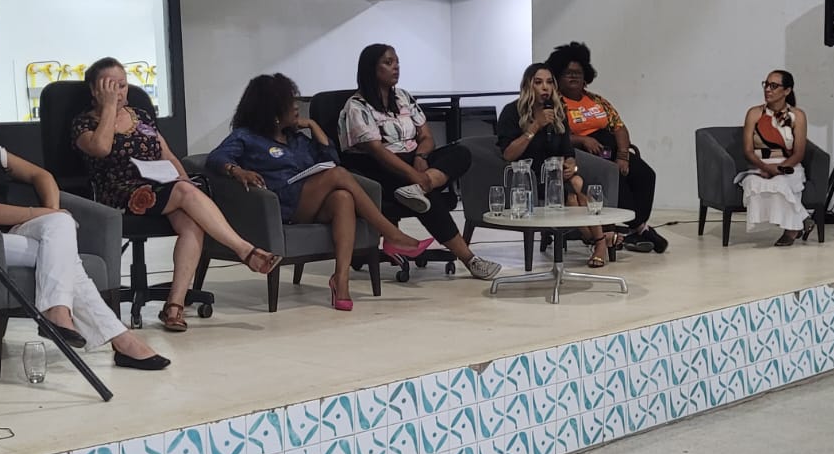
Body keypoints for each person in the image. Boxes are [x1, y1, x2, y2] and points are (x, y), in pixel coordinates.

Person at [0, 72, 168, 369]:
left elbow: (42, 175)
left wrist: (52, 213)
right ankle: (117, 339)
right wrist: (44, 215)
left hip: (4, 235)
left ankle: (64, 315)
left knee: (59, 232)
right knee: (64, 255)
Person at [72, 57, 280, 331]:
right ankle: (245, 250)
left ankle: (174, 307)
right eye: (111, 86)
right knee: (183, 192)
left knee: (191, 214)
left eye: (122, 86)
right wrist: (109, 106)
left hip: (162, 187)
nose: (119, 92)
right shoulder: (83, 124)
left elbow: (167, 156)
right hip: (119, 194)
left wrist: (185, 182)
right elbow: (100, 149)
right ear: (94, 90)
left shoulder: (141, 116)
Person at [206, 73, 433, 311]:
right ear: (272, 112)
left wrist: (314, 126)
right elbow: (216, 158)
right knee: (338, 176)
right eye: (289, 103)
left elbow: (330, 159)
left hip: (308, 201)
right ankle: (390, 233)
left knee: (342, 198)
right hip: (279, 206)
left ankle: (341, 281)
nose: (296, 107)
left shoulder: (296, 139)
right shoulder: (246, 137)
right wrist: (237, 170)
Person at [338, 44, 501, 281]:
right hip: (378, 168)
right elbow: (376, 151)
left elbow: (426, 136)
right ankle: (470, 259)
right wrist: (416, 177)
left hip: (413, 160)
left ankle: (418, 189)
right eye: (388, 62)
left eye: (397, 61)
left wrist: (421, 157)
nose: (396, 67)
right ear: (371, 69)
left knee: (461, 153)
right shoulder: (356, 106)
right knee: (428, 198)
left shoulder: (403, 97)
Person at [544, 41, 667, 254]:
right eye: (567, 73)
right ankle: (640, 229)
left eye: (578, 73)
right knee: (614, 176)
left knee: (645, 174)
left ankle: (636, 227)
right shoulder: (555, 104)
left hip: (610, 151)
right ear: (557, 77)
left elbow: (619, 128)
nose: (574, 77)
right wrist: (581, 140)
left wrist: (623, 156)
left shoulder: (597, 100)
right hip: (579, 155)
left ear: (586, 76)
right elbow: (553, 136)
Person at [495, 63, 618, 268]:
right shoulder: (512, 112)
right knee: (575, 187)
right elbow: (509, 154)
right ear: (528, 85)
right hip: (528, 180)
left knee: (573, 189)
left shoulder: (557, 112)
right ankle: (600, 241)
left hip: (556, 176)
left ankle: (597, 242)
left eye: (549, 82)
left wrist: (571, 164)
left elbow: (567, 150)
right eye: (539, 82)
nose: (545, 87)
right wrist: (536, 125)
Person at [740, 70, 815, 246]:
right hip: (760, 165)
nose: (768, 89)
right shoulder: (754, 113)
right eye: (766, 84)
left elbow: (798, 153)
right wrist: (766, 168)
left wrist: (779, 169)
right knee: (753, 183)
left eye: (774, 86)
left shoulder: (798, 116)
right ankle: (803, 219)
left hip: (789, 165)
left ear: (787, 91)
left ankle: (791, 230)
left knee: (781, 182)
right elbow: (748, 150)